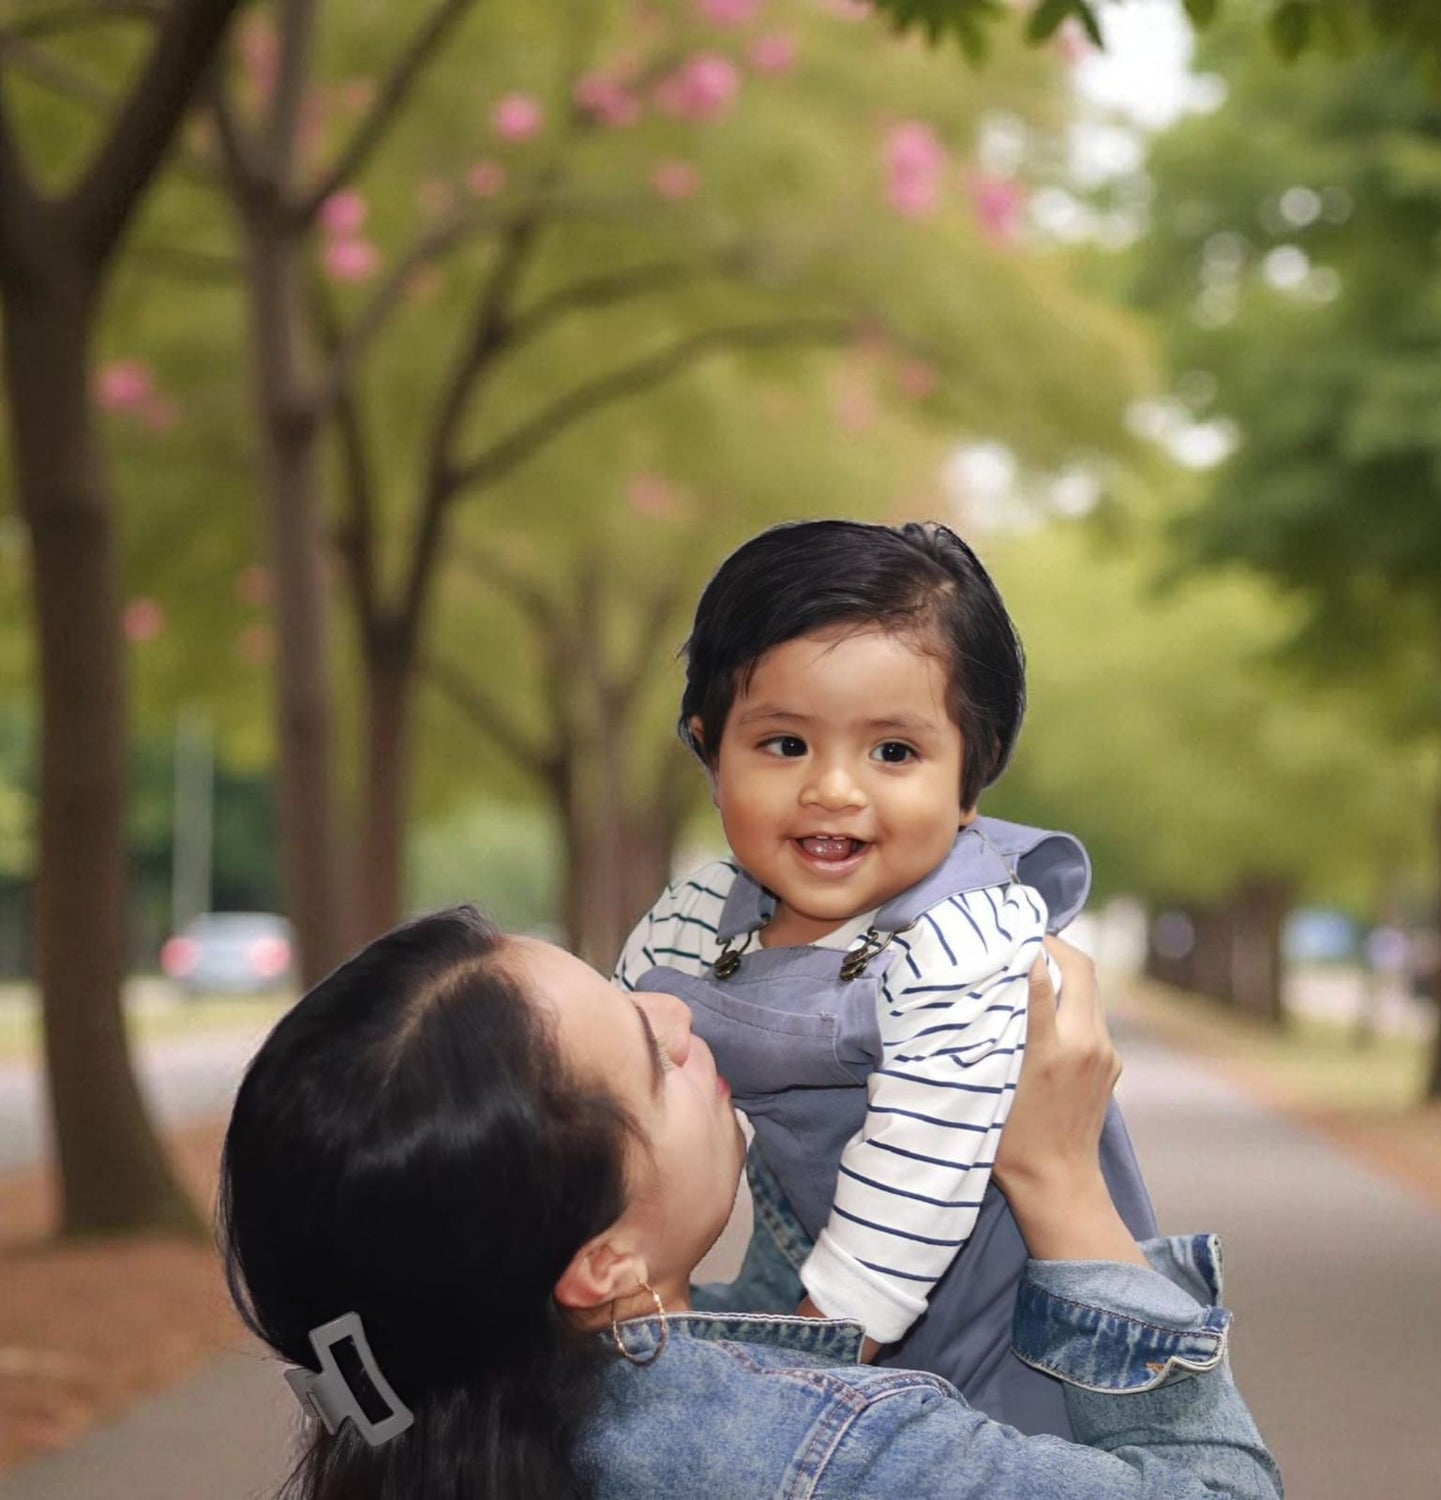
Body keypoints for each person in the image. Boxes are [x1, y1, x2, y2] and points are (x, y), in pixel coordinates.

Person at [221, 906, 1282, 1499]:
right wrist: (1059, 1179)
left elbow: (789, 1328)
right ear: (600, 1263)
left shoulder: (455, 1429)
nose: (678, 1014)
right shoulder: (833, 1456)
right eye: (650, 1057)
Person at [614, 519, 1155, 1433]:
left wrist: (790, 1389)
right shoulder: (698, 914)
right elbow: (602, 1076)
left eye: (893, 753)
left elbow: (915, 1179)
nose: (834, 789)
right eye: (784, 744)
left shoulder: (968, 936)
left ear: (971, 777)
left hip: (1026, 1348)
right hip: (834, 1292)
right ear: (710, 751)